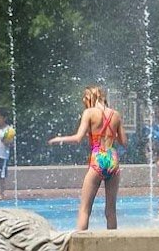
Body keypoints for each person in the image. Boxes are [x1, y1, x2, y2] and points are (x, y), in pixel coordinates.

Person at [48, 85, 127, 230]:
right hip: (112, 159)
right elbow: (124, 142)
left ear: (91, 97)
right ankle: (113, 242)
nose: (83, 101)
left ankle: (80, 242)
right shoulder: (115, 114)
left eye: (85, 98)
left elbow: (77, 138)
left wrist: (59, 139)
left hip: (98, 158)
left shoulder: (89, 113)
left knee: (84, 209)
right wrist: (109, 135)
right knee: (111, 211)